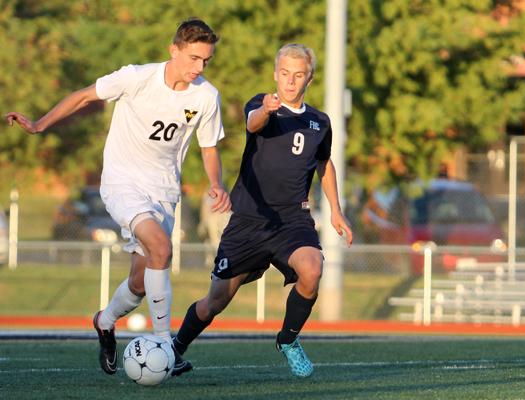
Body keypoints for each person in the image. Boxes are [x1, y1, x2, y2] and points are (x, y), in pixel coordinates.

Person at [5, 18, 231, 376]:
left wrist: (216, 183)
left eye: (205, 60)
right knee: (161, 248)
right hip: (123, 183)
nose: (198, 67)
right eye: (193, 58)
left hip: (164, 191)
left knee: (141, 283)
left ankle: (104, 321)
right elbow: (82, 96)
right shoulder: (136, 77)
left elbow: (208, 148)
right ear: (173, 50)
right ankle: (164, 346)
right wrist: (39, 125)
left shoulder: (206, 96)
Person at [171, 43, 353, 378]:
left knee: (312, 269)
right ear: (275, 74)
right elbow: (253, 124)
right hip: (249, 220)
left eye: (298, 75)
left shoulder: (319, 122)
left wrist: (337, 212)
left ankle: (287, 339)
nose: (290, 81)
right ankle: (174, 349)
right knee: (215, 302)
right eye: (284, 74)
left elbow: (324, 165)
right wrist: (268, 110)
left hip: (292, 221)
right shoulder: (261, 104)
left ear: (309, 79)